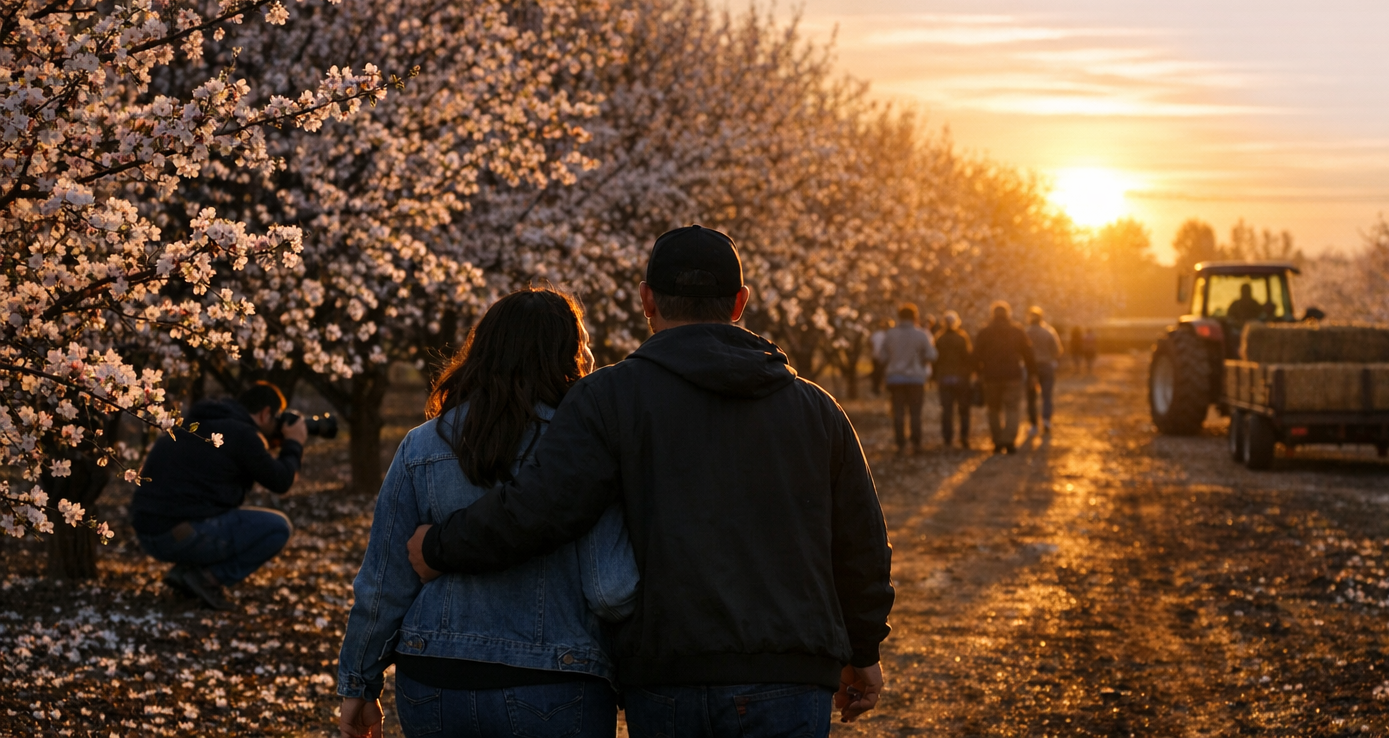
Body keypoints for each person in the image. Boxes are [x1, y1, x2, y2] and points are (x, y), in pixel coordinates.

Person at [406, 225, 893, 738]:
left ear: (646, 300)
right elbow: (862, 545)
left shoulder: (608, 398)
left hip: (668, 676)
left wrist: (440, 545)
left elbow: (541, 508)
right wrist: (863, 650)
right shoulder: (816, 410)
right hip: (791, 674)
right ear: (739, 303)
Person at [335, 288, 637, 738]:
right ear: (567, 356)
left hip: (433, 676)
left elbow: (383, 581)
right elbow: (609, 588)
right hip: (554, 679)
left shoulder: (421, 445)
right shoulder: (581, 450)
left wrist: (358, 682)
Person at [129, 382, 307, 610]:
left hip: (148, 534)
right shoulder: (243, 434)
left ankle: (186, 572)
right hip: (182, 534)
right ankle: (206, 579)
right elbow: (281, 481)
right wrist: (294, 443)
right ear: (265, 414)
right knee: (277, 528)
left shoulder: (191, 425)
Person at [971, 301, 1038, 454]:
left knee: (993, 409)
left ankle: (997, 441)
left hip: (991, 376)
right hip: (1013, 375)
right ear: (1008, 314)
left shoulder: (985, 332)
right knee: (1012, 409)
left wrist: (978, 373)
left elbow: (975, 356)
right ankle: (1009, 440)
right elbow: (1028, 354)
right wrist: (1033, 373)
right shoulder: (1017, 331)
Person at [883, 303, 937, 454]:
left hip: (895, 379)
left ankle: (900, 444)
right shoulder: (921, 334)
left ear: (899, 316)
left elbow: (881, 356)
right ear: (915, 317)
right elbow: (932, 355)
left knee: (898, 412)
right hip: (915, 379)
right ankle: (916, 443)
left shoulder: (890, 334)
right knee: (915, 413)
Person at [933, 311, 975, 448]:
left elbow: (935, 360)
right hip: (961, 378)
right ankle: (964, 436)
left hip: (944, 377)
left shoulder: (939, 338)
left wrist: (934, 376)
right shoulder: (961, 338)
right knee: (963, 409)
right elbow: (967, 357)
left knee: (947, 410)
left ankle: (947, 438)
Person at [1026, 307, 1064, 437]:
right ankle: (1046, 421)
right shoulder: (1048, 332)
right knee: (1046, 395)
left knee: (1031, 397)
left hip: (1030, 368)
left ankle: (1033, 425)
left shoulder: (1025, 333)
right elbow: (1057, 350)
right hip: (1046, 366)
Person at [868, 318, 893, 397]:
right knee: (880, 374)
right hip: (882, 358)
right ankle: (880, 389)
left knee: (878, 375)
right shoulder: (885, 335)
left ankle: (878, 390)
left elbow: (870, 343)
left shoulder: (877, 334)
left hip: (878, 357)